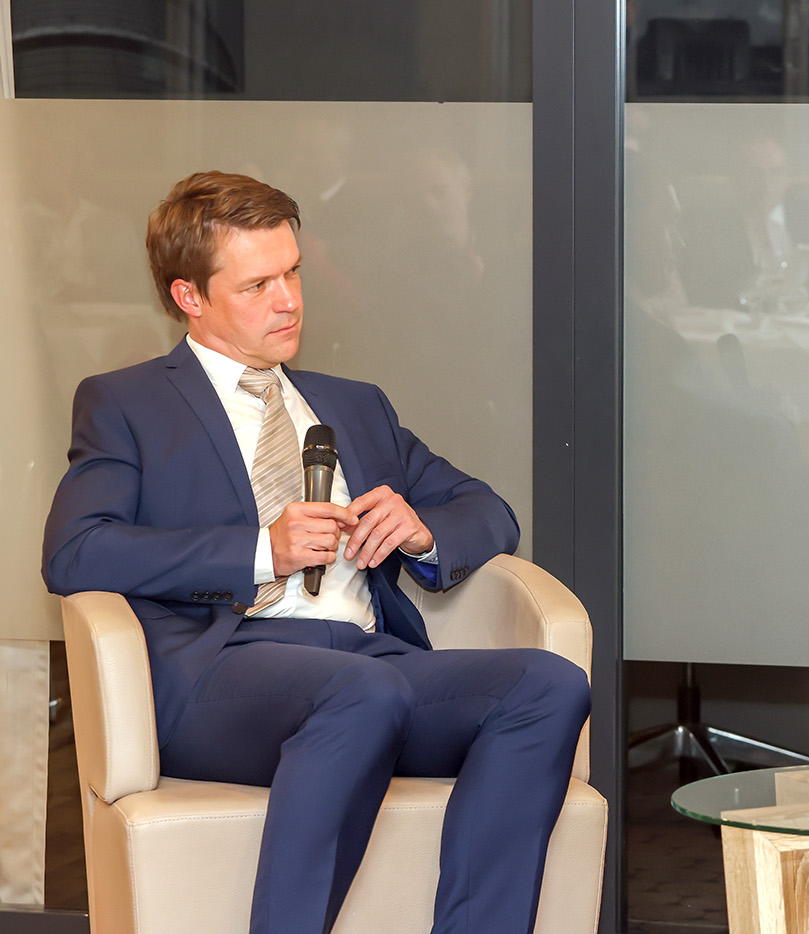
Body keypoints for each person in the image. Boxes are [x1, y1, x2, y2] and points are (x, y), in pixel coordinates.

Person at [42, 171, 591, 934]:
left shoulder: (354, 406)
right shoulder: (128, 403)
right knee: (361, 693)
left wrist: (421, 530)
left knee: (548, 685)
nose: (290, 301)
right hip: (223, 673)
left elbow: (488, 511)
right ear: (188, 296)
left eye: (293, 273)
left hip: (373, 662)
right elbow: (75, 551)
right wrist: (258, 551)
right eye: (258, 285)